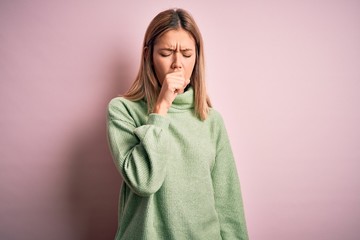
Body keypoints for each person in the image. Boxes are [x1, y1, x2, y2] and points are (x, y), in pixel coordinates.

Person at [107, 8, 248, 240]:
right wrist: (161, 109)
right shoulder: (122, 110)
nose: (177, 64)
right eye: (166, 53)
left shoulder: (211, 120)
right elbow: (144, 181)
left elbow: (228, 205)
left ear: (197, 57)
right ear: (148, 56)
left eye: (186, 53)